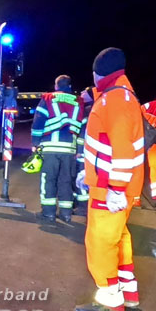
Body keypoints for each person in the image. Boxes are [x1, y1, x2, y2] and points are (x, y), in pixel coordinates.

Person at [75, 48, 145, 311]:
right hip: (112, 184)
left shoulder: (114, 101)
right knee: (120, 237)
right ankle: (127, 290)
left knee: (100, 241)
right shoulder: (122, 96)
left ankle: (110, 301)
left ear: (99, 73)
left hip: (111, 188)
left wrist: (115, 187)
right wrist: (88, 173)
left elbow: (122, 149)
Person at [31, 75, 84, 223]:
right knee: (66, 181)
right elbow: (82, 124)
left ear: (56, 86)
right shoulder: (78, 101)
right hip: (69, 149)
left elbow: (38, 121)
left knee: (48, 180)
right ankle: (66, 214)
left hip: (50, 147)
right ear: (70, 86)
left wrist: (35, 142)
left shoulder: (48, 98)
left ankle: (48, 213)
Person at [73, 87, 95, 216]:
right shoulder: (91, 108)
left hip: (84, 154)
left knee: (82, 180)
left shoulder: (88, 110)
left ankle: (83, 208)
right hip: (89, 153)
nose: (81, 93)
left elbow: (83, 133)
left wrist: (79, 150)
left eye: (84, 92)